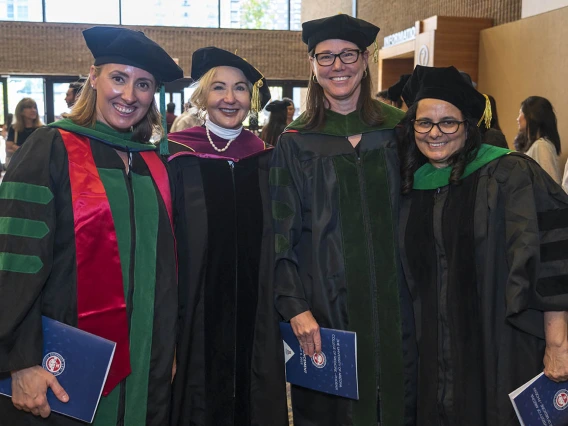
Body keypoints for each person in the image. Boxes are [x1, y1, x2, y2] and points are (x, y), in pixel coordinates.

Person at [0, 26, 182, 426]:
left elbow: (166, 272)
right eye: (119, 78)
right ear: (94, 76)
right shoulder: (50, 147)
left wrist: (168, 347)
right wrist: (18, 361)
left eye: (144, 84)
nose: (129, 95)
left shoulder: (153, 163)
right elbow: (14, 263)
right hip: (57, 366)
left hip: (144, 362)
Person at [398, 65, 568, 426]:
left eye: (448, 122)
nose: (435, 133)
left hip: (502, 344)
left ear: (468, 125)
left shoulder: (510, 174)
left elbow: (554, 255)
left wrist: (557, 342)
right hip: (435, 353)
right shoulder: (412, 186)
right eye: (424, 122)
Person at [270, 14, 414, 426]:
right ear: (313, 66)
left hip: (399, 303)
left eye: (348, 54)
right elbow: (281, 234)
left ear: (366, 59)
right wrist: (295, 306)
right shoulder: (295, 143)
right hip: (325, 306)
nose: (338, 66)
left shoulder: (398, 131)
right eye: (326, 56)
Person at [167, 46, 288, 426]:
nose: (230, 98)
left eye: (239, 89)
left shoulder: (265, 157)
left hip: (255, 306)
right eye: (219, 88)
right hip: (195, 303)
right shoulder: (176, 154)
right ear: (202, 96)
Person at [517, 96, 562, 184]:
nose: (518, 119)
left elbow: (551, 184)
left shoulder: (541, 146)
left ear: (531, 115)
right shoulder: (538, 145)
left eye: (520, 113)